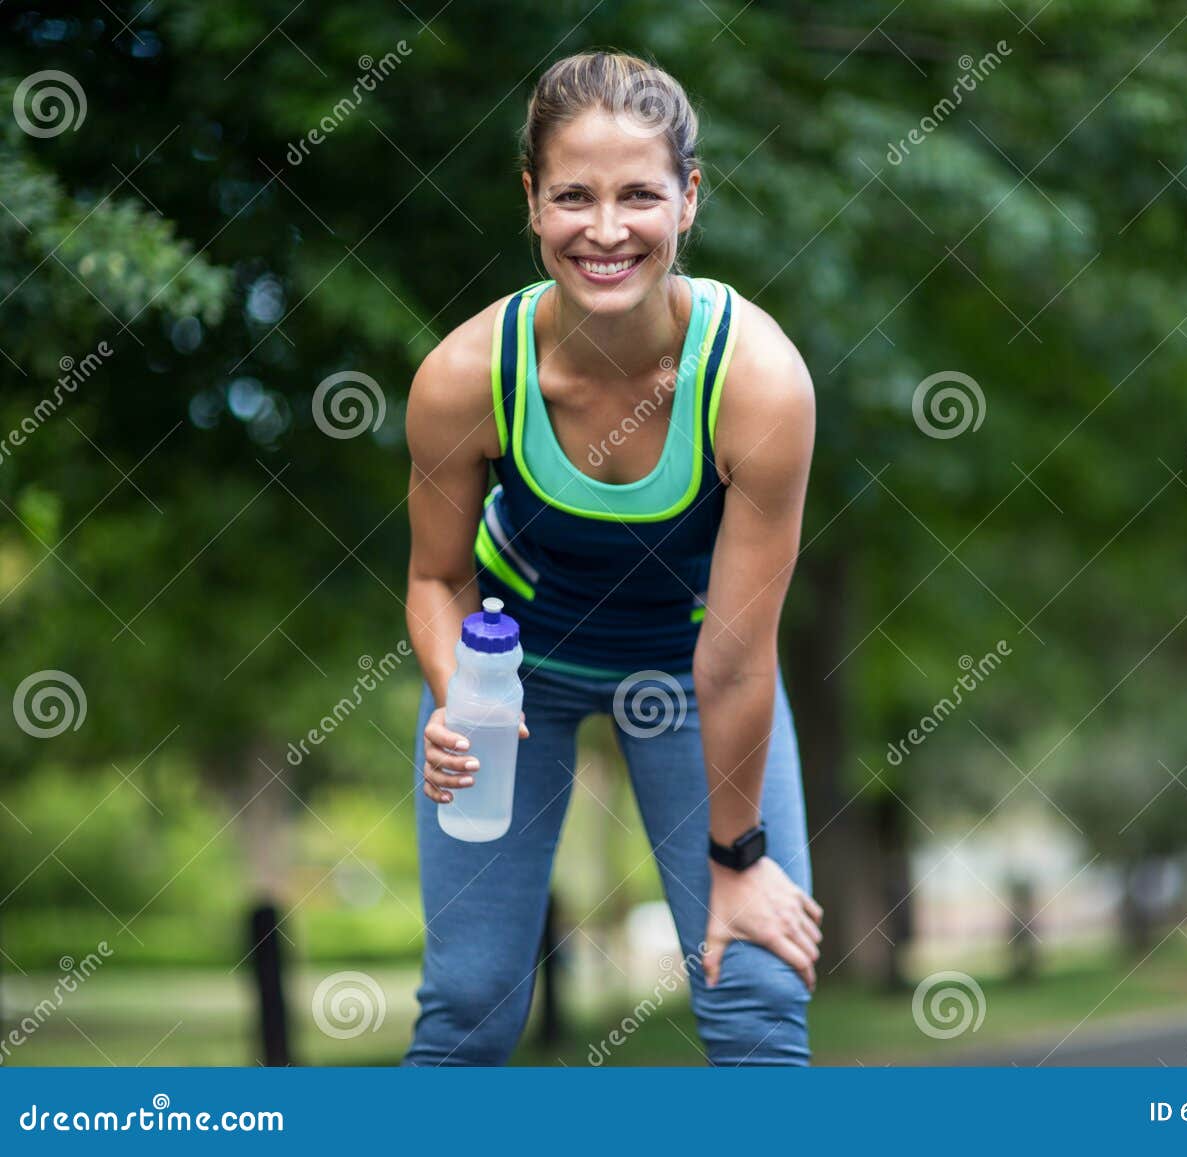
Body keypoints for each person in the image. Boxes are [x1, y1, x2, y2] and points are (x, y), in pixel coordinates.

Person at [400, 50, 822, 1066]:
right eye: (572, 195)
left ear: (688, 198)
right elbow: (435, 577)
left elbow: (734, 656)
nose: (604, 229)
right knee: (466, 1002)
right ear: (530, 201)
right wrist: (465, 696)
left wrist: (739, 856)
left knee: (756, 987)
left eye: (638, 194)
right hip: (515, 672)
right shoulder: (464, 377)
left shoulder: (757, 382)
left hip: (689, 669)